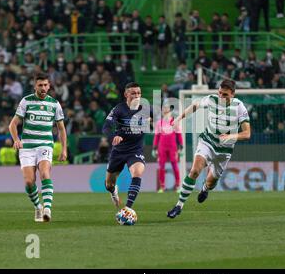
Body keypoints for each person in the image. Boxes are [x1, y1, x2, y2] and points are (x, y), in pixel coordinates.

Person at [167, 79, 251, 218]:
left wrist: (231, 137)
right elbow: (195, 105)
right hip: (208, 142)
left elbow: (247, 133)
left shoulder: (239, 107)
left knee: (211, 182)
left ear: (233, 94)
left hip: (224, 151)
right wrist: (178, 119)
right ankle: (178, 206)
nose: (221, 97)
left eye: (225, 95)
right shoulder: (212, 99)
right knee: (194, 171)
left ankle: (205, 189)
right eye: (220, 93)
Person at [8, 74, 68, 223]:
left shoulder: (54, 104)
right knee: (29, 182)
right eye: (40, 85)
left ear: (49, 86)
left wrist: (64, 149)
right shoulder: (26, 101)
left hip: (45, 145)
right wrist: (16, 139)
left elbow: (61, 129)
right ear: (35, 86)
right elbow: (12, 124)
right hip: (27, 146)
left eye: (45, 85)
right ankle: (38, 206)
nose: (43, 88)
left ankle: (47, 209)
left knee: (45, 174)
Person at [102, 82, 151, 213]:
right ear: (126, 94)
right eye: (133, 93)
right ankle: (113, 192)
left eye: (139, 93)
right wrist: (113, 137)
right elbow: (106, 126)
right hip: (118, 151)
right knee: (109, 184)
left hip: (135, 150)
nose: (137, 95)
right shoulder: (118, 109)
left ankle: (128, 209)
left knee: (137, 172)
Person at [152, 102, 183, 193]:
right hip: (162, 147)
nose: (164, 110)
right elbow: (157, 136)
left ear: (170, 110)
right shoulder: (159, 123)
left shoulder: (175, 122)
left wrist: (180, 146)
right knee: (161, 166)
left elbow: (179, 135)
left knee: (175, 166)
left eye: (166, 108)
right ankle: (162, 187)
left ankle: (178, 186)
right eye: (163, 108)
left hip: (172, 147)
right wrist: (154, 148)